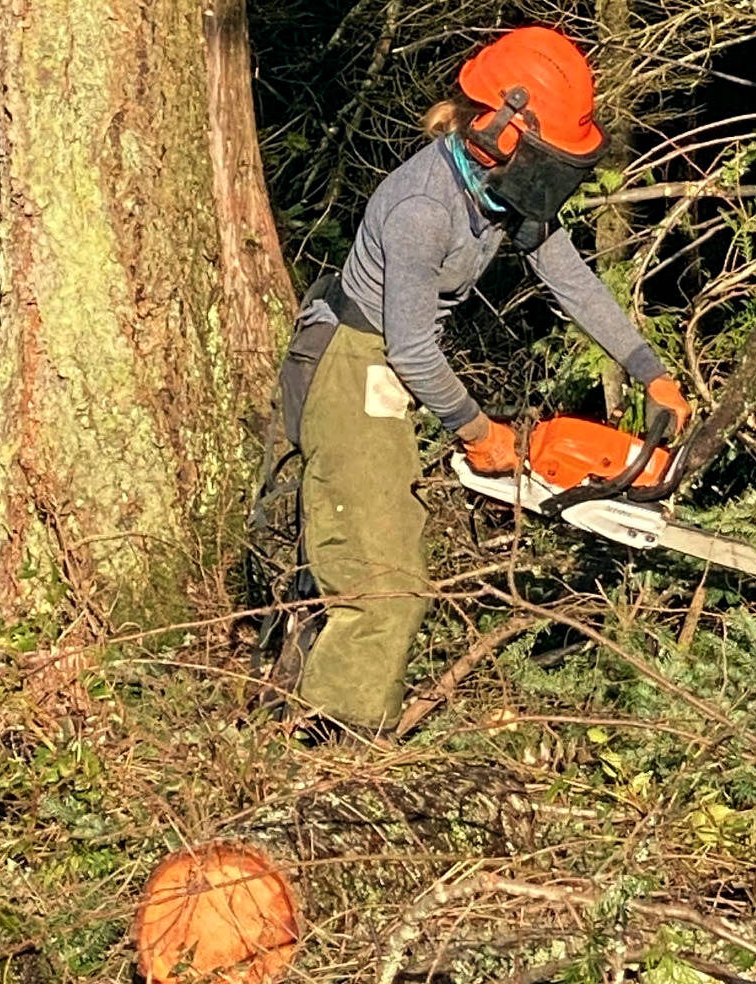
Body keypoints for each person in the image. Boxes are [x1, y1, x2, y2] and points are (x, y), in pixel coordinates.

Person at [277, 25, 692, 732]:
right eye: (547, 156)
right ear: (499, 130)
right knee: (385, 585)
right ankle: (331, 747)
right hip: (354, 362)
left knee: (381, 555)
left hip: (390, 363)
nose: (552, 174)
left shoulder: (503, 194)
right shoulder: (423, 209)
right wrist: (478, 432)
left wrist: (648, 369)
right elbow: (409, 348)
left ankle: (322, 710)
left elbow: (572, 281)